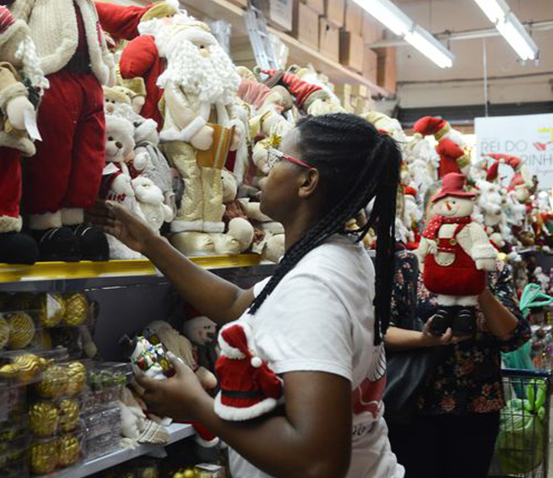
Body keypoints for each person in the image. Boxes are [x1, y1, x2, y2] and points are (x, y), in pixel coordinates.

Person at [90, 113, 404, 478]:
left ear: (308, 181)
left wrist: (200, 406)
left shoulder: (313, 288)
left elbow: (319, 464)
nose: (264, 172)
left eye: (277, 160)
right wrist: (151, 243)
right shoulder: (333, 255)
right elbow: (237, 305)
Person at [385, 182, 531, 478]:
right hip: (413, 403)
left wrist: (477, 286)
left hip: (477, 405)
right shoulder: (405, 266)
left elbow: (513, 336)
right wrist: (424, 340)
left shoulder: (493, 268)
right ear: (427, 215)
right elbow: (379, 332)